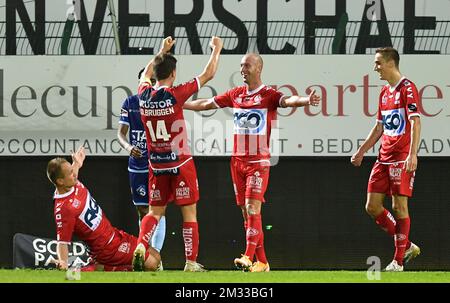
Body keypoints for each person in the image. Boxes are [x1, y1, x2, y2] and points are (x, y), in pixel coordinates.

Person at [183, 53, 321, 272]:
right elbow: (208, 103)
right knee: (247, 215)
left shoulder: (268, 95)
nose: (242, 69)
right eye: (240, 66)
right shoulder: (236, 94)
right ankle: (263, 262)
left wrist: (305, 100)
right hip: (237, 162)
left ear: (258, 68)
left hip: (258, 161)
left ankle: (248, 256)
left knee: (252, 208)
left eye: (247, 65)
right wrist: (183, 104)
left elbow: (287, 101)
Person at [132, 35, 223, 272]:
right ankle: (190, 262)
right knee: (189, 212)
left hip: (157, 164)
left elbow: (145, 75)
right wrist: (216, 50)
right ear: (173, 74)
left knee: (154, 212)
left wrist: (162, 51)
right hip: (180, 162)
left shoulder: (142, 95)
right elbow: (209, 74)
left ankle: (141, 245)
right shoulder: (176, 93)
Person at [351, 47, 421, 271]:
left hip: (401, 157)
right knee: (372, 206)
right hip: (383, 157)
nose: (375, 67)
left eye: (378, 63)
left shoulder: (407, 88)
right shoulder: (384, 92)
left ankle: (398, 262)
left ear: (391, 63)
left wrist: (412, 153)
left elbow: (416, 122)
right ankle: (407, 244)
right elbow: (380, 126)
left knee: (400, 207)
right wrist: (362, 150)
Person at [47, 146, 160, 271]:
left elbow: (73, 175)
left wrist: (77, 164)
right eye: (70, 172)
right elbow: (62, 242)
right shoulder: (64, 209)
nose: (74, 173)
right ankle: (97, 268)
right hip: (106, 249)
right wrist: (63, 261)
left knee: (156, 255)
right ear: (60, 181)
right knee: (152, 263)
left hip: (114, 235)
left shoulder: (71, 183)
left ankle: (100, 267)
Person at [117, 72, 166, 263]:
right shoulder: (129, 103)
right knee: (143, 210)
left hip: (158, 164)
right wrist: (129, 147)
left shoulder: (162, 103)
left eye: (154, 81)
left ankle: (155, 257)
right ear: (140, 83)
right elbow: (120, 133)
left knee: (158, 210)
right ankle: (147, 253)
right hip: (137, 165)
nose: (151, 85)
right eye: (148, 81)